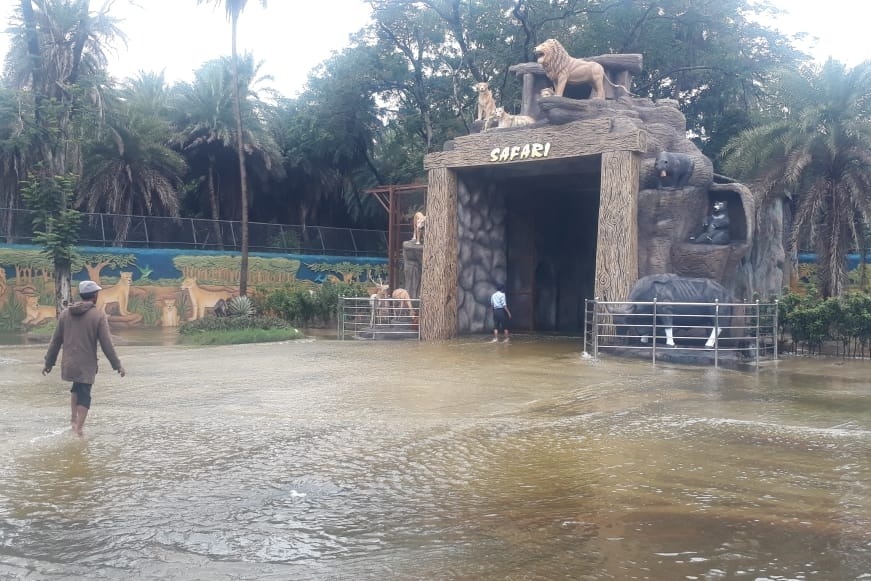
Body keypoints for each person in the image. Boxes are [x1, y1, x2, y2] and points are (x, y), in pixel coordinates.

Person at [43, 280, 125, 436]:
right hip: (86, 365)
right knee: (85, 394)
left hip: (69, 363)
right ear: (95, 296)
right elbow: (107, 344)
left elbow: (55, 341)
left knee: (76, 388)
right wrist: (117, 365)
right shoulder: (98, 315)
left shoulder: (65, 314)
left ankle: (73, 420)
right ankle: (79, 429)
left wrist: (49, 362)